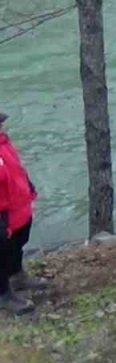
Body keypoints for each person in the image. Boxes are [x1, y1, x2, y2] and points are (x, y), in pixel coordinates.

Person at [0, 111, 47, 315]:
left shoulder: (4, 142)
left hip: (18, 207)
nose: (2, 125)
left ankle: (17, 275)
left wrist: (29, 187)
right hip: (2, 214)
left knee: (17, 243)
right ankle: (3, 294)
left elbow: (16, 168)